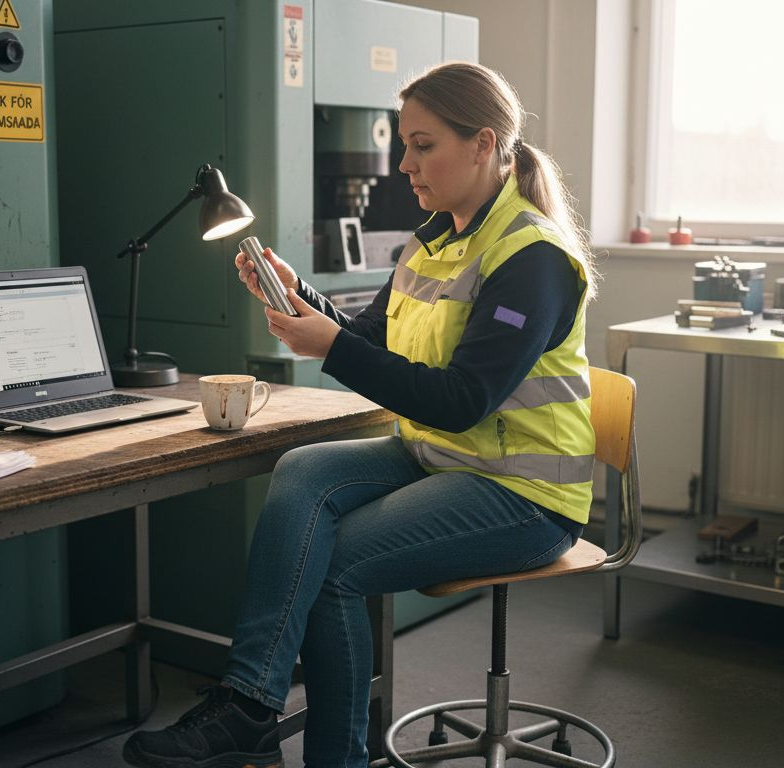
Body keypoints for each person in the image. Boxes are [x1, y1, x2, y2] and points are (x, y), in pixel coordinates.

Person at [123, 61, 600, 768]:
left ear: (482, 144)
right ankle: (252, 702)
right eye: (403, 145)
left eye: (423, 144)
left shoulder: (533, 257)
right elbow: (372, 336)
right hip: (442, 458)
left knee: (333, 567)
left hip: (523, 492)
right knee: (304, 468)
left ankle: (314, 749)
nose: (403, 164)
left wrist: (333, 347)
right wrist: (298, 296)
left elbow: (464, 400)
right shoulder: (434, 238)